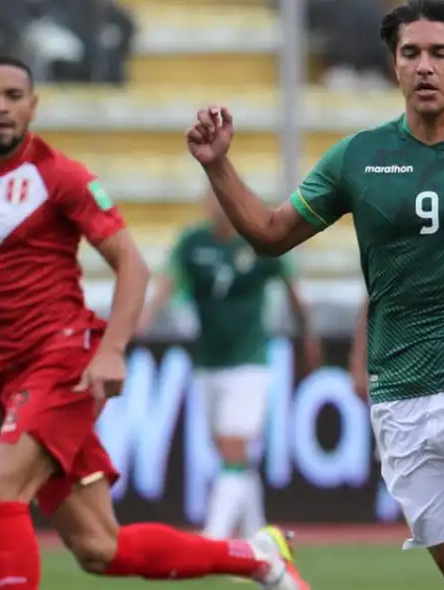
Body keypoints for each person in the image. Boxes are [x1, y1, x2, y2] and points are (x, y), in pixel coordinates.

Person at [184, 1, 444, 588]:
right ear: (394, 66)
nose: (424, 66)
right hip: (401, 393)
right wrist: (219, 166)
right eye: (410, 53)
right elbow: (271, 235)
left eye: (439, 53)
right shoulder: (358, 158)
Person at [0, 55, 308, 590]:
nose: (0, 106)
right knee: (99, 547)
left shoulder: (59, 176)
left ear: (32, 107)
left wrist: (112, 348)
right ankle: (257, 557)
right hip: (11, 372)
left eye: (12, 96)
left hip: (64, 358)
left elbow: (133, 266)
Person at [138, 190, 322, 540]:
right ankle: (256, 540)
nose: (219, 207)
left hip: (250, 362)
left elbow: (292, 287)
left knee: (232, 449)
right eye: (214, 201)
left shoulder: (259, 240)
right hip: (209, 362)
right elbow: (168, 281)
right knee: (230, 454)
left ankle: (214, 536)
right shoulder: (192, 243)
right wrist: (145, 316)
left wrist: (308, 335)